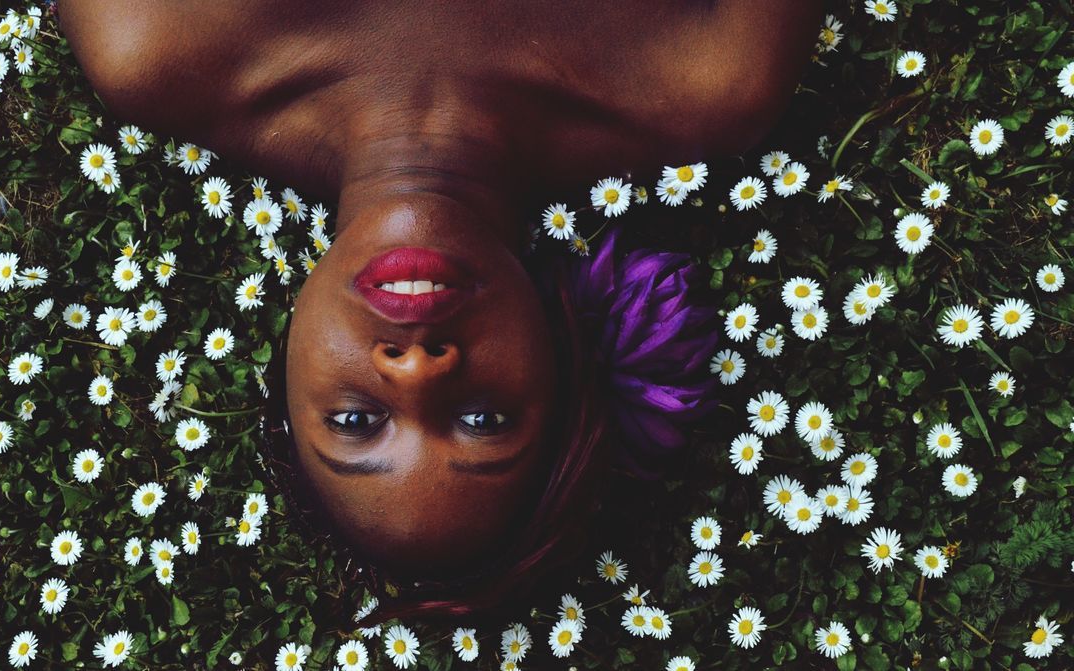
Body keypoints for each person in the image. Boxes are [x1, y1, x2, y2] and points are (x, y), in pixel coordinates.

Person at [57, 0, 824, 619]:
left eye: (357, 421)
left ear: (286, 381)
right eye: (484, 419)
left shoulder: (153, 37)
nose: (418, 369)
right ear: (564, 360)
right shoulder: (714, 68)